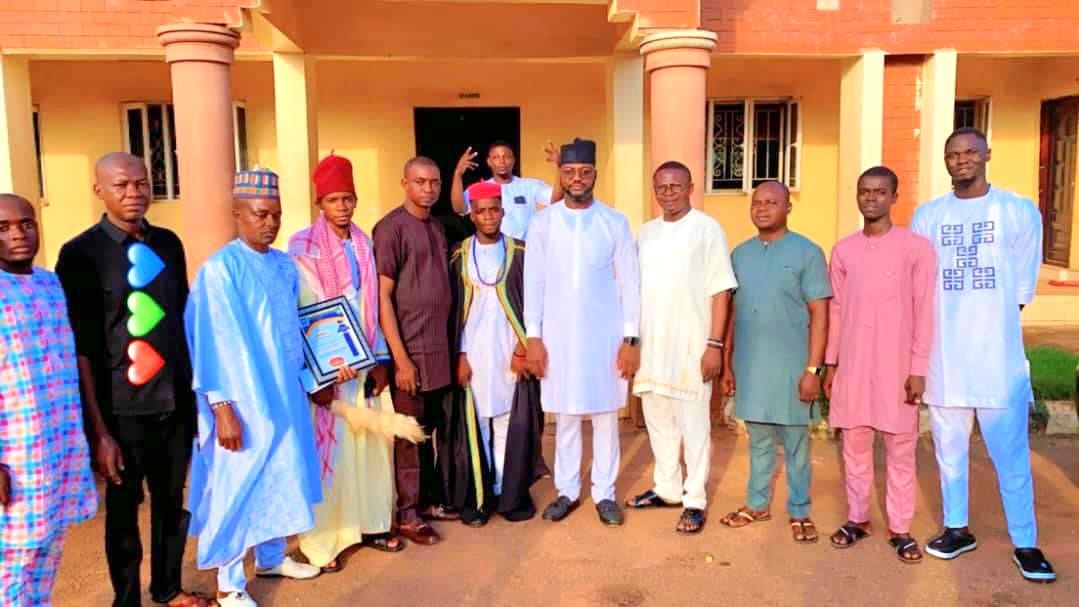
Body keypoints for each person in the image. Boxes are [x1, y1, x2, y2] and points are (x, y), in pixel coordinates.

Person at [55, 152, 207, 607]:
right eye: (121, 185)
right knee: (123, 513)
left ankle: (167, 587)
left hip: (173, 403)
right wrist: (98, 431)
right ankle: (126, 600)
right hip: (120, 411)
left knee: (172, 504)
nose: (134, 192)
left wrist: (195, 401)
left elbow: (182, 324)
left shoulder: (168, 244)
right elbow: (80, 349)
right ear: (98, 190)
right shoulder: (80, 254)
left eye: (141, 183)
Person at [911, 127, 1056, 582]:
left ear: (987, 154)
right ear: (945, 160)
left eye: (971, 151)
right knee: (949, 452)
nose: (962, 160)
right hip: (945, 359)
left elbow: (1018, 293)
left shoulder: (1017, 211)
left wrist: (982, 323)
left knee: (1010, 455)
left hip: (997, 362)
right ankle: (957, 528)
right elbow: (921, 288)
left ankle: (1026, 543)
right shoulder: (928, 216)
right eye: (953, 154)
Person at [184, 168, 323, 607]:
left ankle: (268, 557)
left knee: (282, 475)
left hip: (285, 393)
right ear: (237, 214)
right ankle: (228, 583)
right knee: (238, 485)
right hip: (243, 401)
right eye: (261, 214)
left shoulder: (283, 264)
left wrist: (319, 370)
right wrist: (222, 406)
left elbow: (294, 329)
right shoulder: (220, 270)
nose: (270, 223)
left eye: (277, 215)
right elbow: (209, 340)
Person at [288, 154, 405, 572]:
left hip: (363, 361)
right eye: (334, 199)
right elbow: (302, 313)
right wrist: (315, 374)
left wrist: (379, 360)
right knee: (331, 455)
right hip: (327, 369)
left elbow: (370, 303)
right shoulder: (301, 246)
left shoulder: (364, 242)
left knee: (369, 446)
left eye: (348, 198)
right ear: (321, 203)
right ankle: (324, 543)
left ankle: (370, 526)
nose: (342, 206)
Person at [524, 138, 641, 527]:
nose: (577, 179)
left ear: (594, 174)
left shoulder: (614, 222)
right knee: (567, 415)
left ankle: (605, 493)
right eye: (570, 172)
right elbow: (533, 283)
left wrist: (631, 339)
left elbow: (630, 283)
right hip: (557, 336)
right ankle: (568, 490)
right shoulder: (542, 223)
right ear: (560, 175)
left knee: (606, 414)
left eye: (585, 172)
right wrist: (533, 337)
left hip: (605, 336)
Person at [823, 167, 936, 564]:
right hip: (853, 366)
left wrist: (918, 368)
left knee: (899, 449)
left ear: (894, 196)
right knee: (854, 445)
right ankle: (858, 518)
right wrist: (830, 364)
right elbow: (836, 311)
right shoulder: (844, 250)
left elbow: (925, 312)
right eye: (864, 192)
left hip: (898, 368)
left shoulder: (916, 248)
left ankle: (900, 528)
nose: (870, 198)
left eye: (879, 192)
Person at [718, 180, 831, 544]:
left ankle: (800, 510)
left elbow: (820, 312)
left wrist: (813, 369)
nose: (762, 208)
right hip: (751, 363)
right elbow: (731, 313)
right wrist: (727, 363)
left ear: (787, 208)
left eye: (771, 202)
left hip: (793, 366)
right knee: (759, 440)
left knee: (796, 442)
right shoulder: (740, 254)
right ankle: (757, 504)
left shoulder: (807, 253)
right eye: (757, 202)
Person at [627, 161, 737, 534]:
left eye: (676, 186)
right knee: (658, 421)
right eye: (661, 187)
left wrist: (714, 345)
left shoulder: (707, 230)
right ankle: (668, 488)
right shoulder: (646, 233)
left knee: (694, 427)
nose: (668, 192)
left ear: (690, 187)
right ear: (654, 189)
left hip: (692, 344)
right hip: (652, 345)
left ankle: (694, 500)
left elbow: (721, 288)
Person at [0, 194, 97, 607]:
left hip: (58, 446)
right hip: (13, 457)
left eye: (26, 223)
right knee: (11, 562)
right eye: (3, 228)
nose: (19, 234)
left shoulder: (49, 283)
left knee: (48, 551)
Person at [449, 180, 549, 525]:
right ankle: (480, 497)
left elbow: (536, 301)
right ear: (472, 215)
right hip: (474, 350)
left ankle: (509, 495)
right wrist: (460, 354)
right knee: (477, 422)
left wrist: (525, 345)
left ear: (503, 212)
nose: (489, 217)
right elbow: (456, 309)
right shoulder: (459, 254)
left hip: (510, 348)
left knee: (509, 420)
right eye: (481, 212)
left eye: (494, 210)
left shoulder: (521, 252)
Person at [374, 157, 458, 545]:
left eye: (435, 182)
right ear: (404, 183)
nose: (429, 188)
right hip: (411, 353)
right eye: (421, 182)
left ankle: (425, 503)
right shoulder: (391, 229)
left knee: (432, 434)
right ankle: (406, 514)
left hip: (441, 349)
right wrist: (400, 359)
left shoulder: (438, 228)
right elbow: (383, 297)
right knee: (408, 438)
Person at [450, 140, 561, 239]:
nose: (502, 161)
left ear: (513, 160)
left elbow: (554, 200)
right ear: (489, 162)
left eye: (507, 157)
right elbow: (459, 209)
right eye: (496, 157)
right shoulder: (481, 188)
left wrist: (561, 167)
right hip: (495, 249)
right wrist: (458, 174)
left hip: (524, 251)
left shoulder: (530, 185)